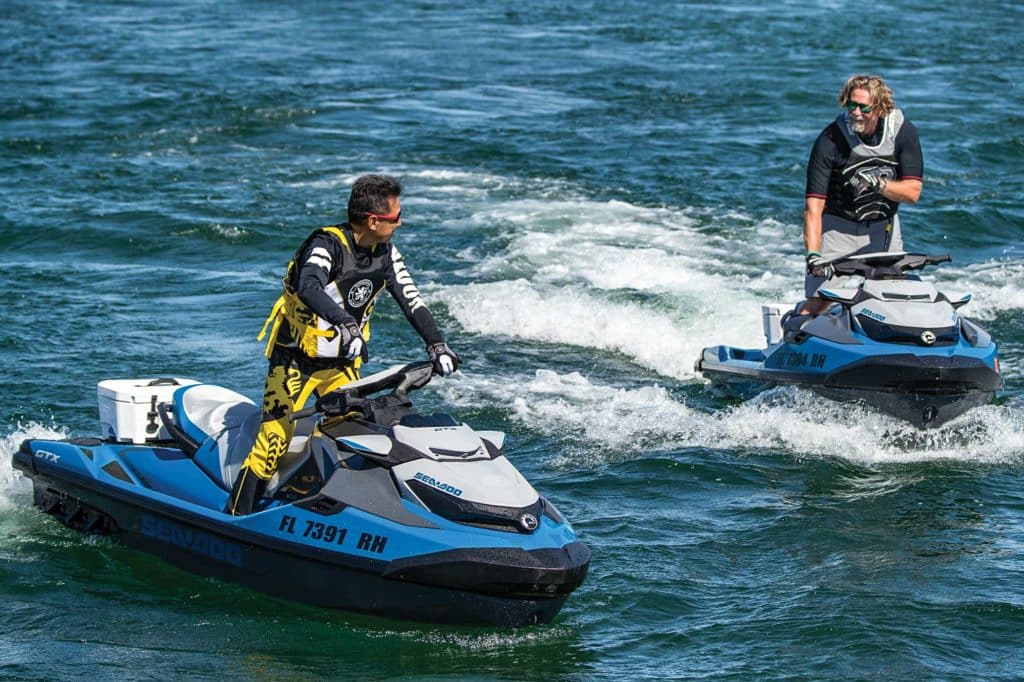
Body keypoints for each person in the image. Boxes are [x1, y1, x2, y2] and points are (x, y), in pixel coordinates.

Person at [226, 174, 461, 515]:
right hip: (294, 363)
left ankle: (336, 513)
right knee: (273, 443)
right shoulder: (326, 245)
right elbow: (308, 286)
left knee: (356, 437)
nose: (401, 222)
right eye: (396, 217)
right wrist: (345, 323)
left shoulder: (387, 253)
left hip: (340, 367)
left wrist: (437, 345)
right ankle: (237, 516)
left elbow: (412, 300)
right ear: (373, 220)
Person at [802, 74, 924, 314]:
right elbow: (813, 207)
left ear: (879, 108)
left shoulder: (903, 132)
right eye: (850, 105)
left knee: (892, 301)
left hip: (883, 230)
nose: (855, 112)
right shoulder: (830, 139)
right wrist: (814, 254)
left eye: (863, 107)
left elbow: (913, 192)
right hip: (837, 229)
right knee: (818, 302)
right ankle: (793, 338)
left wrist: (879, 185)